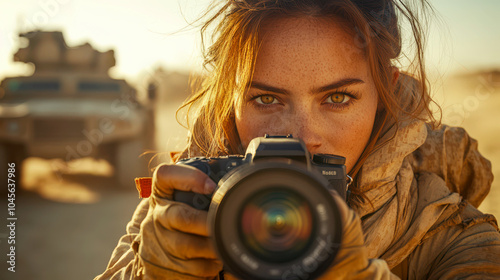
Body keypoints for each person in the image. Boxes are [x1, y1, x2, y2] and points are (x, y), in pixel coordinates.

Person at [95, 0, 500, 279]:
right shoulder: (187, 208)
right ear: (231, 101)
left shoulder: (448, 233)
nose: (303, 138)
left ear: (383, 96)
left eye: (337, 98)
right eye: (266, 98)